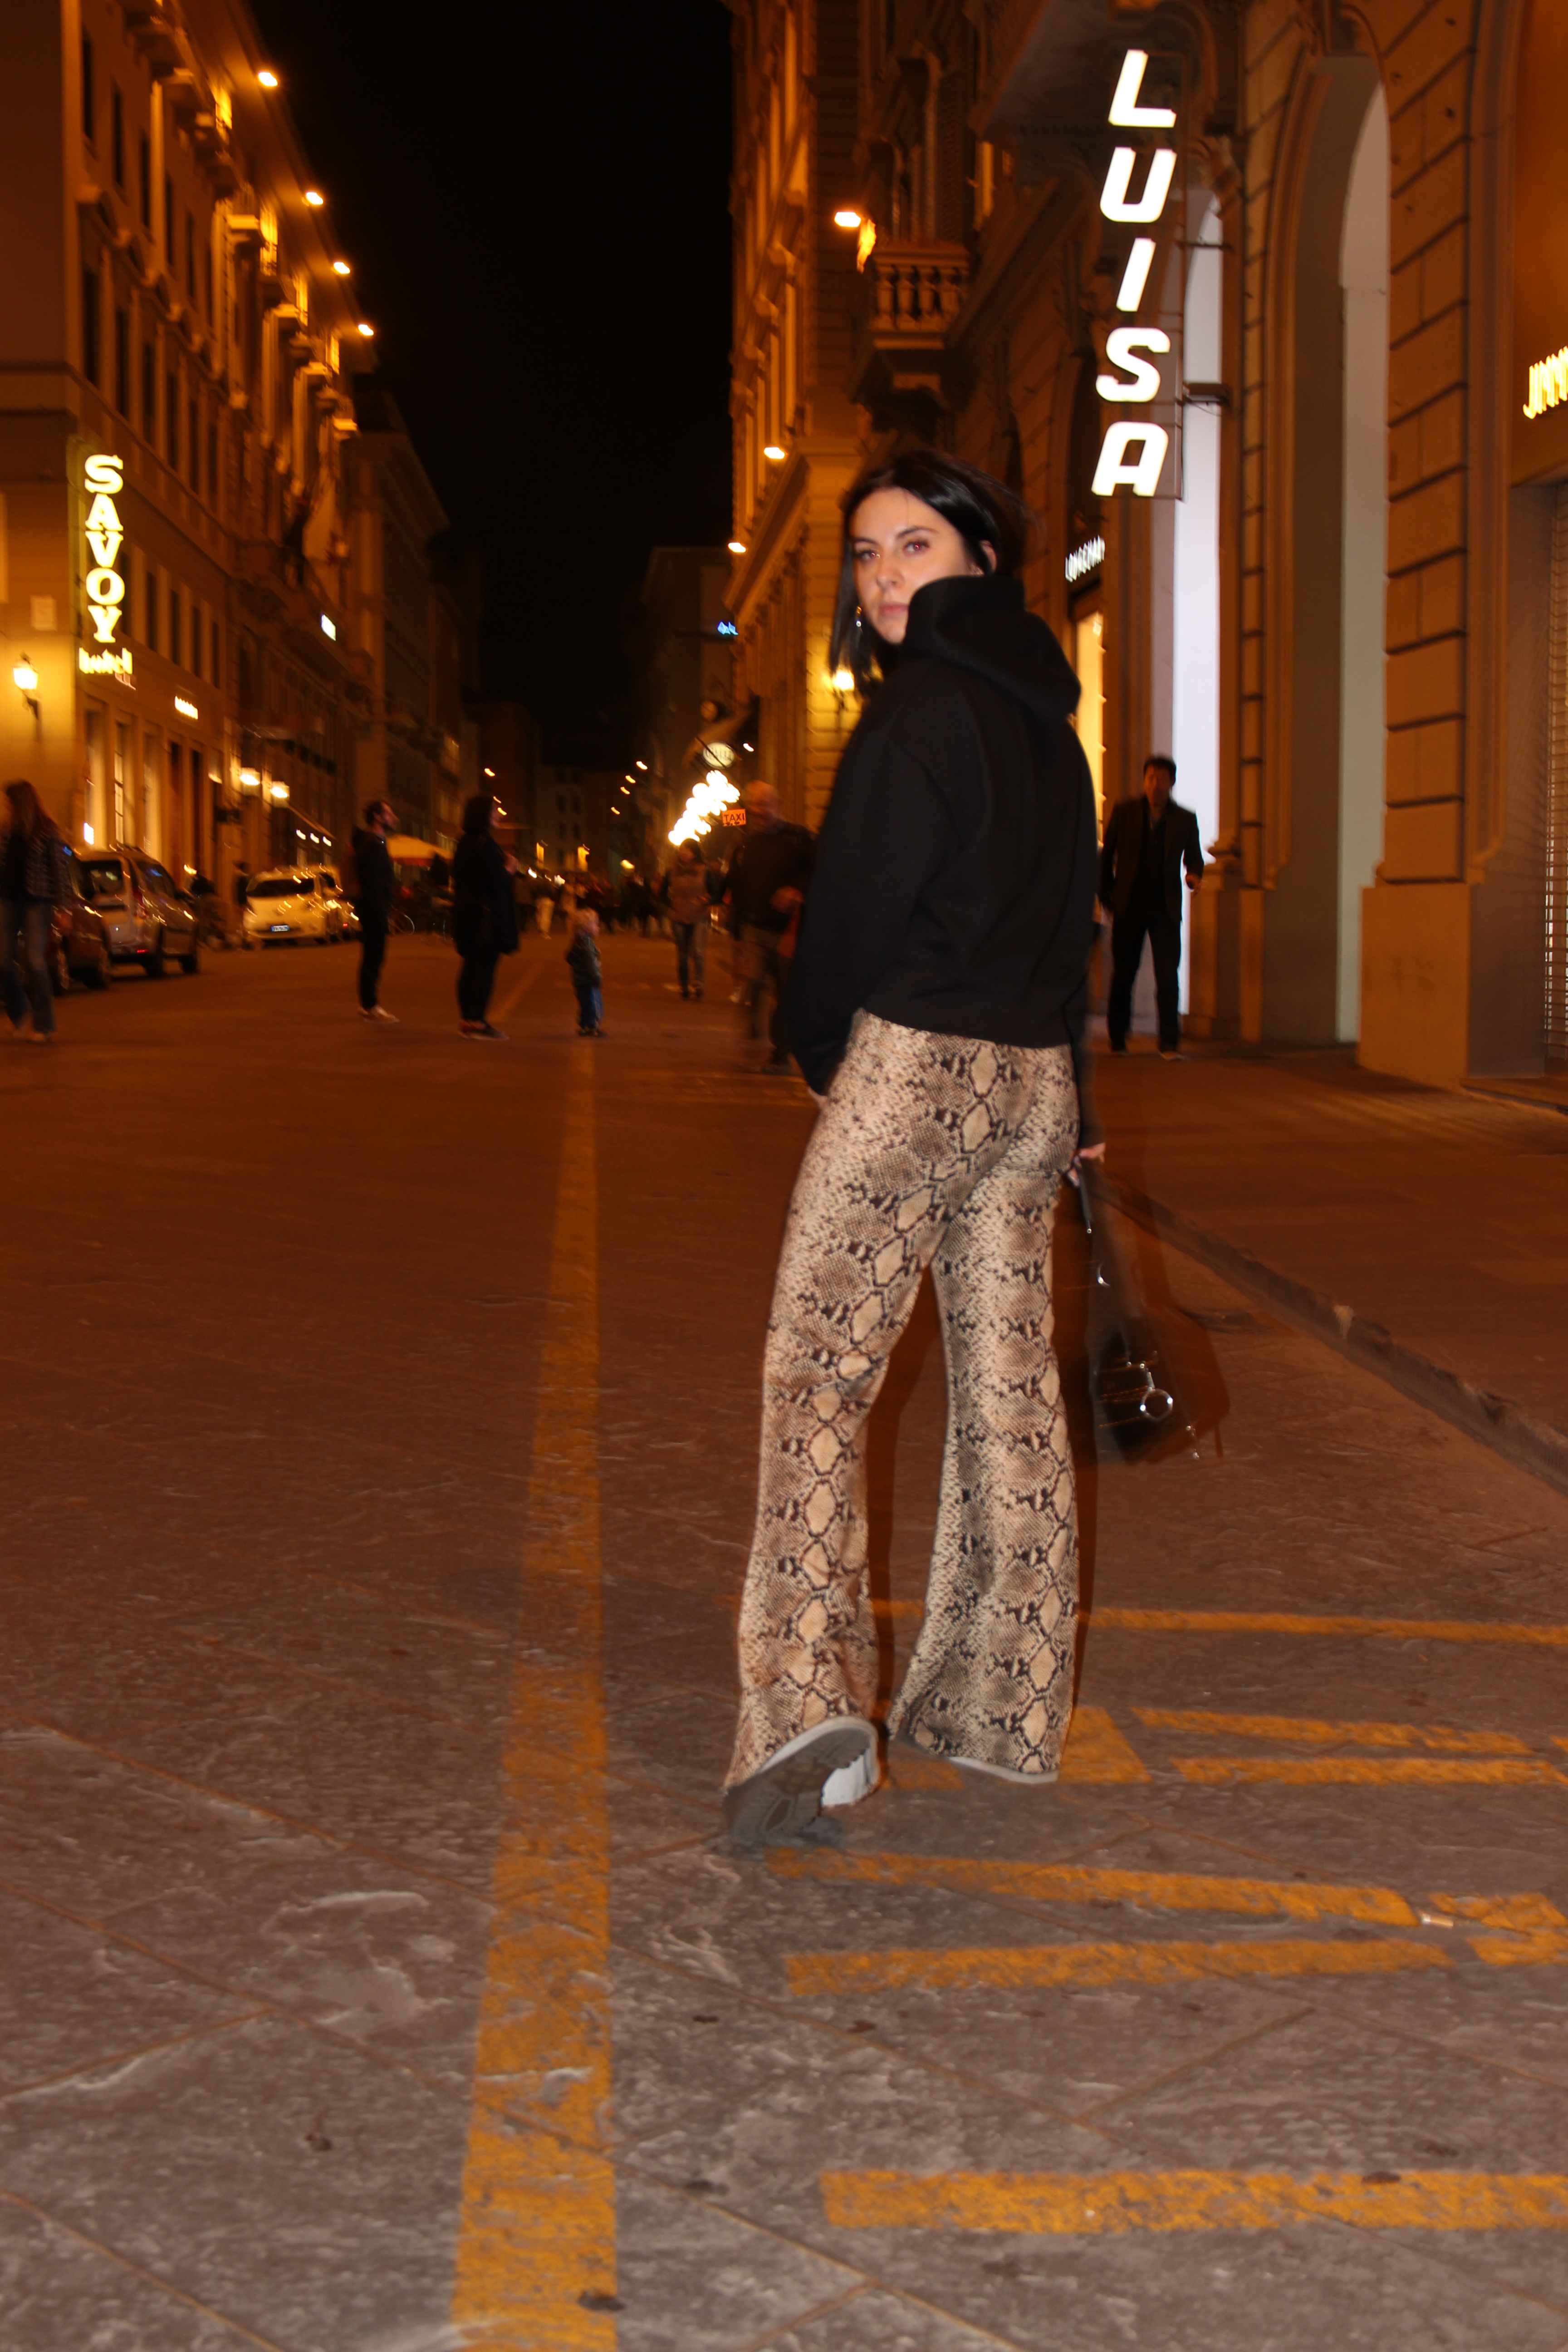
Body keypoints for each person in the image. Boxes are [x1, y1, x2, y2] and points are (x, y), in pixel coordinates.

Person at [720, 449, 1102, 1846]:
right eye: (869, 552)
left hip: (918, 1069)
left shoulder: (917, 712)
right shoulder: (1055, 729)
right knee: (1010, 1399)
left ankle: (807, 1711)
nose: (885, 575)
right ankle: (1003, 1706)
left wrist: (826, 1055)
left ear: (981, 559)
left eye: (915, 546)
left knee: (817, 1383)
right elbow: (1069, 931)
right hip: (1031, 1084)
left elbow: (849, 925)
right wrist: (1074, 1109)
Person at [1098, 756, 1204, 1059]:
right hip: (1129, 905)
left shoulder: (1184, 819)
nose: (1156, 785)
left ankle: (1169, 1043)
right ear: (1144, 781)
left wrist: (1194, 876)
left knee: (1168, 976)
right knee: (1124, 975)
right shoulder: (1125, 811)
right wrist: (1108, 898)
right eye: (1151, 778)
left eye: (1162, 779)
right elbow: (1106, 857)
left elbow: (1194, 857)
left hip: (1165, 908)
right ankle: (1118, 1039)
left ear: (1172, 783)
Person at [725, 780, 814, 1071]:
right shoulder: (748, 845)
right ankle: (754, 1030)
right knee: (753, 980)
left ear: (779, 805)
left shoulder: (799, 838)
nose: (758, 810)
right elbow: (740, 888)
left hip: (789, 932)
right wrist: (735, 930)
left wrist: (798, 891)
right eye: (753, 805)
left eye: (764, 804)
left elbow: (820, 871)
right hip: (755, 929)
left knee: (785, 994)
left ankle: (780, 1053)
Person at [1, 779, 71, 1045]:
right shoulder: (7, 830)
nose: (7, 807)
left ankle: (44, 1024)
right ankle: (19, 1013)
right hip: (10, 898)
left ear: (22, 803)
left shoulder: (47, 831)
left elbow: (59, 872)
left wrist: (63, 909)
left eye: (10, 802)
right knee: (3, 959)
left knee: (35, 959)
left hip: (38, 901)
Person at [452, 792, 519, 1040]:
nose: (498, 815)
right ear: (483, 814)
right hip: (485, 918)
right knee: (484, 968)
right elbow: (493, 882)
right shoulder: (485, 843)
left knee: (470, 966)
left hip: (467, 914)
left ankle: (467, 1019)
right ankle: (477, 1021)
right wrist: (508, 869)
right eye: (494, 810)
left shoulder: (464, 842)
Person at [350, 798, 397, 1023]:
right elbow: (374, 882)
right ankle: (370, 1006)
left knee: (372, 956)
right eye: (388, 814)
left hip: (371, 909)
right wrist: (381, 911)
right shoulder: (373, 845)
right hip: (374, 910)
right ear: (377, 817)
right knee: (374, 957)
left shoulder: (373, 842)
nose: (393, 818)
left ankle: (368, 1004)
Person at [662, 841, 712, 1000]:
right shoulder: (672, 871)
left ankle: (699, 984)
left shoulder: (704, 871)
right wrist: (672, 904)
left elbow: (715, 892)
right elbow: (662, 893)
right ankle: (684, 987)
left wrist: (707, 901)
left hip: (699, 916)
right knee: (683, 954)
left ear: (695, 853)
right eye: (682, 850)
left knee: (698, 952)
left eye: (688, 850)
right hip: (678, 917)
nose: (684, 853)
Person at [565, 907, 604, 1037]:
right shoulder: (588, 944)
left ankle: (583, 1025)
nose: (598, 927)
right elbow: (591, 963)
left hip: (579, 981)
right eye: (595, 924)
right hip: (589, 980)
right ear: (586, 928)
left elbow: (569, 958)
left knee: (584, 1004)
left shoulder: (576, 942)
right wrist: (596, 977)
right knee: (595, 1004)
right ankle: (593, 1026)